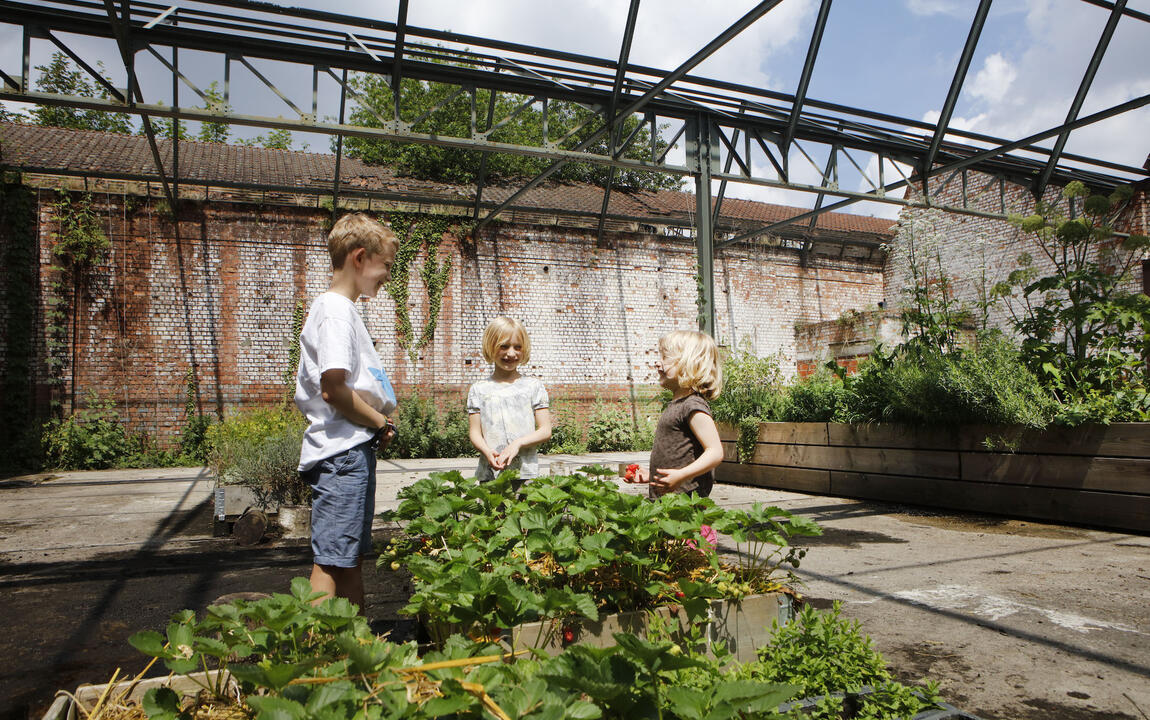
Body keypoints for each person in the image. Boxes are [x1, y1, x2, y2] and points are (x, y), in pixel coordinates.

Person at [294, 212, 399, 611]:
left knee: (347, 556)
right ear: (360, 258)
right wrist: (378, 420)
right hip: (343, 454)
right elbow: (334, 389)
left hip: (352, 450)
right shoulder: (336, 311)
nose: (387, 275)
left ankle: (357, 638)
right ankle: (315, 651)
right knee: (331, 561)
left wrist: (376, 425)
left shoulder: (341, 311)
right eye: (385, 265)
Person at [627, 329, 724, 498]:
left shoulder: (692, 405)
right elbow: (681, 458)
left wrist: (681, 476)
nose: (658, 363)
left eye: (665, 358)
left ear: (688, 364)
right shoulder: (677, 405)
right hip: (669, 503)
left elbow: (715, 452)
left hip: (685, 504)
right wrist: (653, 477)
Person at [467, 316, 552, 486]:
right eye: (504, 346)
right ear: (491, 347)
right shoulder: (479, 389)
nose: (511, 353)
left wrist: (517, 444)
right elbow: (475, 432)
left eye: (517, 347)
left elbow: (545, 430)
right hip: (490, 473)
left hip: (525, 473)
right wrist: (486, 451)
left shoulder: (533, 387)